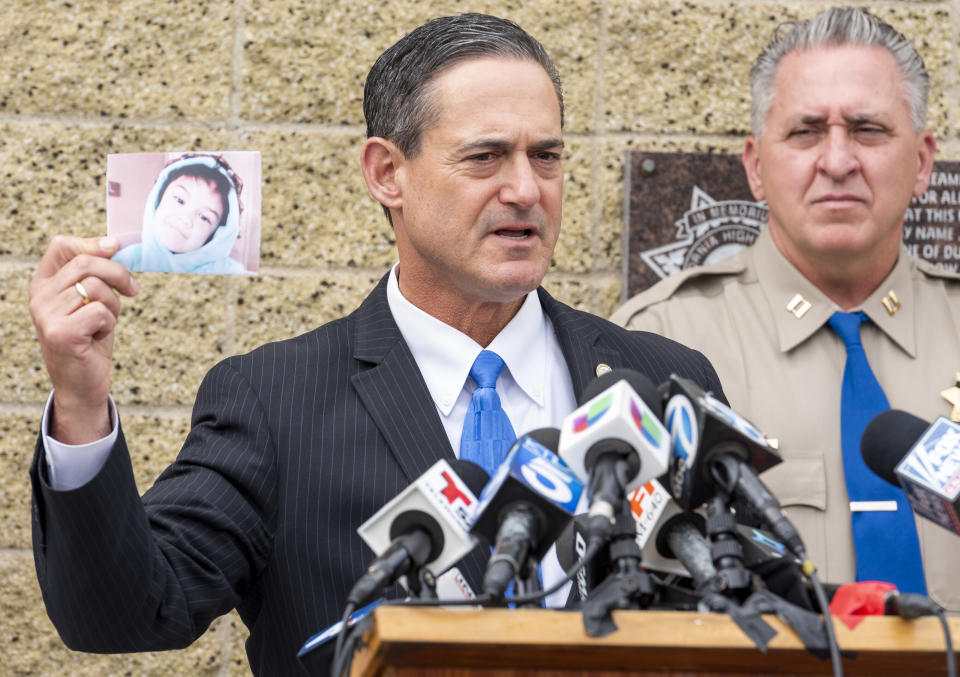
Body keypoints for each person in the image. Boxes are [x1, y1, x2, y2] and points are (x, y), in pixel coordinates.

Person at [28, 14, 725, 675]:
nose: (525, 189)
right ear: (387, 173)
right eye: (485, 157)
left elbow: (739, 609)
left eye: (546, 156)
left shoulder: (661, 381)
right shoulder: (274, 401)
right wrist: (82, 404)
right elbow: (120, 613)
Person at [612, 7, 960, 611]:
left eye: (869, 130)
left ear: (923, 162)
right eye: (805, 132)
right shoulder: (663, 341)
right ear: (755, 167)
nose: (837, 161)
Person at [112, 153, 251, 274]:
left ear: (216, 235)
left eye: (204, 217)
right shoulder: (127, 260)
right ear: (157, 200)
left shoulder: (229, 271)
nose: (186, 218)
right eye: (179, 200)